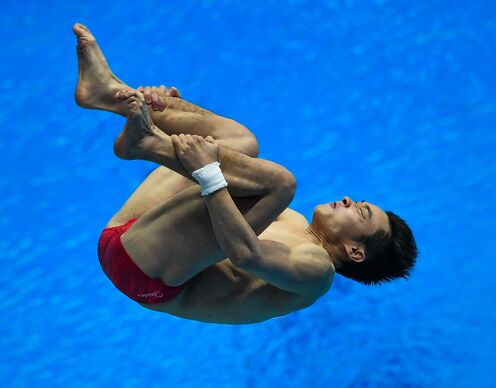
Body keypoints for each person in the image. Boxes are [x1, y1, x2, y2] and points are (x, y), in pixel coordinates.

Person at [74, 23, 418, 324]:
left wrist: (207, 169)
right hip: (134, 233)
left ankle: (149, 142)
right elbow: (225, 180)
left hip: (141, 273)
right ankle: (110, 97)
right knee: (242, 144)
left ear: (355, 251)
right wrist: (176, 111)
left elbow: (245, 254)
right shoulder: (294, 221)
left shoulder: (316, 272)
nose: (348, 199)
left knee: (280, 183)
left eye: (360, 211)